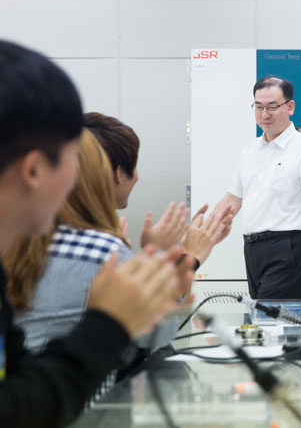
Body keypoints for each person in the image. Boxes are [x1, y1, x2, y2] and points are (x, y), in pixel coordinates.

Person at [0, 39, 190, 427]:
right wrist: (110, 321)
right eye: (79, 160)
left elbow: (18, 399)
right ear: (35, 169)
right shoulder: (101, 251)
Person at [213, 76, 301, 299]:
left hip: (289, 249)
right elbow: (233, 198)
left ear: (290, 107)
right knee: (269, 324)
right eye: (258, 107)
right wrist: (204, 229)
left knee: (268, 319)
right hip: (253, 250)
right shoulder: (250, 150)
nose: (264, 114)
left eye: (272, 107)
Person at [84, 112, 233, 267]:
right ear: (119, 173)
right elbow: (149, 291)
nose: (137, 176)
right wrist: (191, 254)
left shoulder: (65, 234)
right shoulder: (107, 247)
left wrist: (185, 245)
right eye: (135, 164)